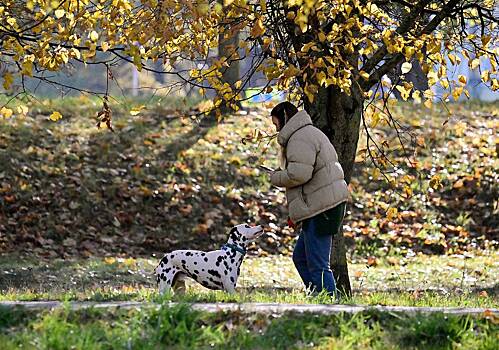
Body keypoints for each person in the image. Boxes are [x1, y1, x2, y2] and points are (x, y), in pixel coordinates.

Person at [268, 101, 350, 296]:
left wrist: (275, 176)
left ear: (285, 118)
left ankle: (331, 305)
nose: (276, 129)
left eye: (276, 123)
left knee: (318, 264)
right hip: (320, 205)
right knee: (301, 258)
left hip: (322, 209)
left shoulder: (299, 138)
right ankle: (317, 296)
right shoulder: (307, 133)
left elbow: (299, 174)